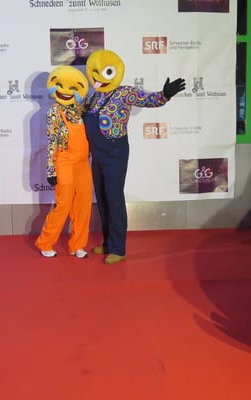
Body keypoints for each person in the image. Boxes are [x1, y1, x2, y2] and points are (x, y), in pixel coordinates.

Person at [82, 49, 185, 264]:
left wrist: (165, 94)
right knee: (102, 198)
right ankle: (108, 242)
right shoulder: (93, 96)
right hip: (96, 154)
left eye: (105, 71)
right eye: (95, 72)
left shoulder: (125, 92)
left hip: (114, 153)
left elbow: (150, 100)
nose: (98, 77)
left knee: (114, 198)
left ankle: (118, 248)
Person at [35, 65, 93, 259]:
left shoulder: (81, 110)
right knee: (64, 204)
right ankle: (45, 242)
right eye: (61, 86)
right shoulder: (54, 112)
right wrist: (51, 169)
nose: (66, 91)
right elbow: (52, 141)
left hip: (83, 163)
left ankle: (77, 245)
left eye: (73, 88)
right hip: (64, 161)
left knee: (83, 205)